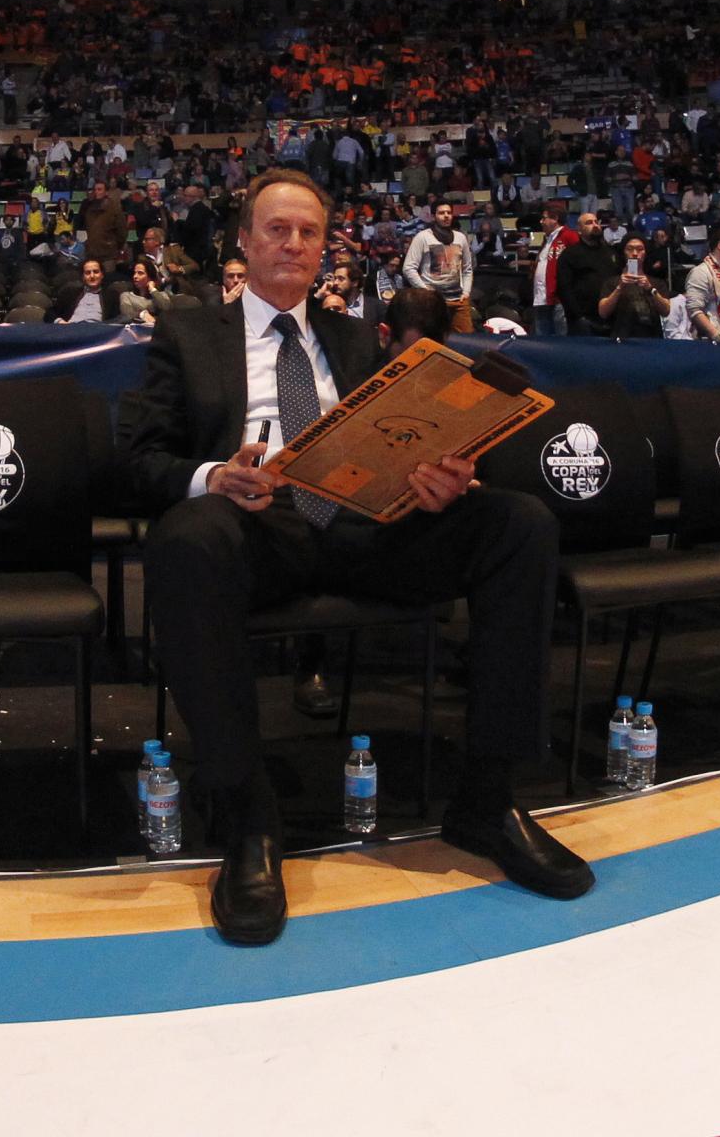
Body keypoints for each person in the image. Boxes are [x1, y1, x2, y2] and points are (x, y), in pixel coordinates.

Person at [127, 168, 591, 948]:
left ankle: (489, 799)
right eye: (277, 229)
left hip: (363, 526)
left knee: (518, 523)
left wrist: (436, 480)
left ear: (323, 249)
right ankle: (247, 816)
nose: (294, 244)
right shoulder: (188, 333)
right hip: (255, 525)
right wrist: (215, 477)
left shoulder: (352, 336)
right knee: (184, 538)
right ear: (245, 241)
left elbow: (399, 438)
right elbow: (137, 459)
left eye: (308, 232)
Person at [402, 199, 475, 333]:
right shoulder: (422, 237)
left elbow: (467, 269)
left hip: (458, 300)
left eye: (449, 212)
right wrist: (425, 290)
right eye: (441, 213)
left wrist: (466, 292)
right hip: (432, 301)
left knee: (467, 338)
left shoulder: (460, 237)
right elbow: (408, 268)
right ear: (433, 216)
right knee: (433, 338)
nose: (446, 216)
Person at [597, 233, 670, 338]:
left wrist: (650, 289)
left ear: (645, 253)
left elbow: (666, 311)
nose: (635, 253)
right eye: (629, 249)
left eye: (640, 249)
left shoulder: (657, 282)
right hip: (621, 338)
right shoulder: (611, 282)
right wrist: (619, 288)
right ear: (623, 253)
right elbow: (603, 312)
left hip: (652, 339)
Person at [529, 204, 575, 335]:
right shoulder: (547, 239)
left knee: (561, 340)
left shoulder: (569, 236)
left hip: (559, 298)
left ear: (555, 218)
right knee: (543, 340)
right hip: (541, 297)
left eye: (544, 218)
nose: (541, 221)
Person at [53, 258, 121, 323]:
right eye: (88, 273)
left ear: (102, 275)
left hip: (97, 329)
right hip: (71, 327)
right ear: (83, 277)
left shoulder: (112, 295)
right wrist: (60, 321)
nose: (92, 276)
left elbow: (116, 319)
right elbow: (51, 313)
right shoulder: (70, 293)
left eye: (96, 272)